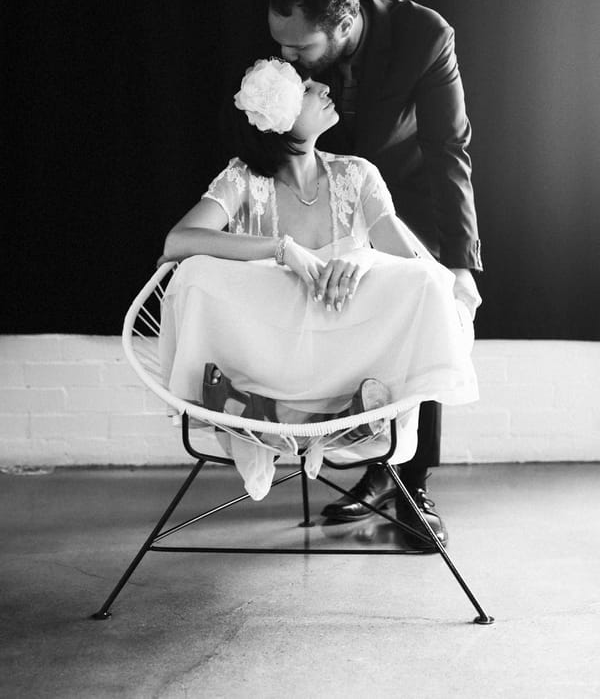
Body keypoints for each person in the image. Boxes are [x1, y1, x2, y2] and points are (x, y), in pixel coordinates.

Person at [158, 58, 478, 508]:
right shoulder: (243, 179)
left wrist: (363, 258)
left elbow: (412, 261)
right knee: (195, 271)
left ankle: (345, 415)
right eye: (307, 88)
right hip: (269, 359)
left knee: (425, 282)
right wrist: (280, 250)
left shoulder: (356, 174)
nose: (324, 87)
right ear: (279, 115)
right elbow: (178, 241)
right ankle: (274, 411)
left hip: (349, 362)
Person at [268, 0, 483, 546]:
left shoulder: (423, 34)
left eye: (300, 49)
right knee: (349, 329)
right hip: (319, 194)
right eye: (280, 45)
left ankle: (414, 487)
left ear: (343, 23)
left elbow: (449, 150)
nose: (286, 58)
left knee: (425, 308)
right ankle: (370, 467)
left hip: (405, 196)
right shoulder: (295, 36)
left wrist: (459, 265)